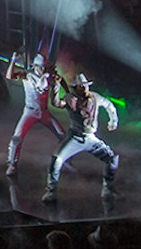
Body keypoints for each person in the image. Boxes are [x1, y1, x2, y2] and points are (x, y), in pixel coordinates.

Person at [42, 71, 119, 203]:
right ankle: (51, 191)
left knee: (112, 159)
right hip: (75, 137)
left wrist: (113, 121)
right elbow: (56, 103)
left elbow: (109, 105)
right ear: (76, 88)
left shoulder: (95, 97)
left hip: (91, 138)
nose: (84, 89)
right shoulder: (71, 99)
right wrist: (55, 86)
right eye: (81, 86)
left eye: (86, 86)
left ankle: (108, 188)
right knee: (56, 160)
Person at [2, 52, 64, 178]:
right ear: (35, 66)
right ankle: (12, 164)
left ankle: (65, 160)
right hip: (30, 112)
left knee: (63, 135)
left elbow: (59, 87)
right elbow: (9, 76)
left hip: (44, 112)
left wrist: (59, 85)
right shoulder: (28, 76)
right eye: (40, 67)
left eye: (44, 67)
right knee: (16, 139)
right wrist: (13, 61)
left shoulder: (49, 77)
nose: (42, 70)